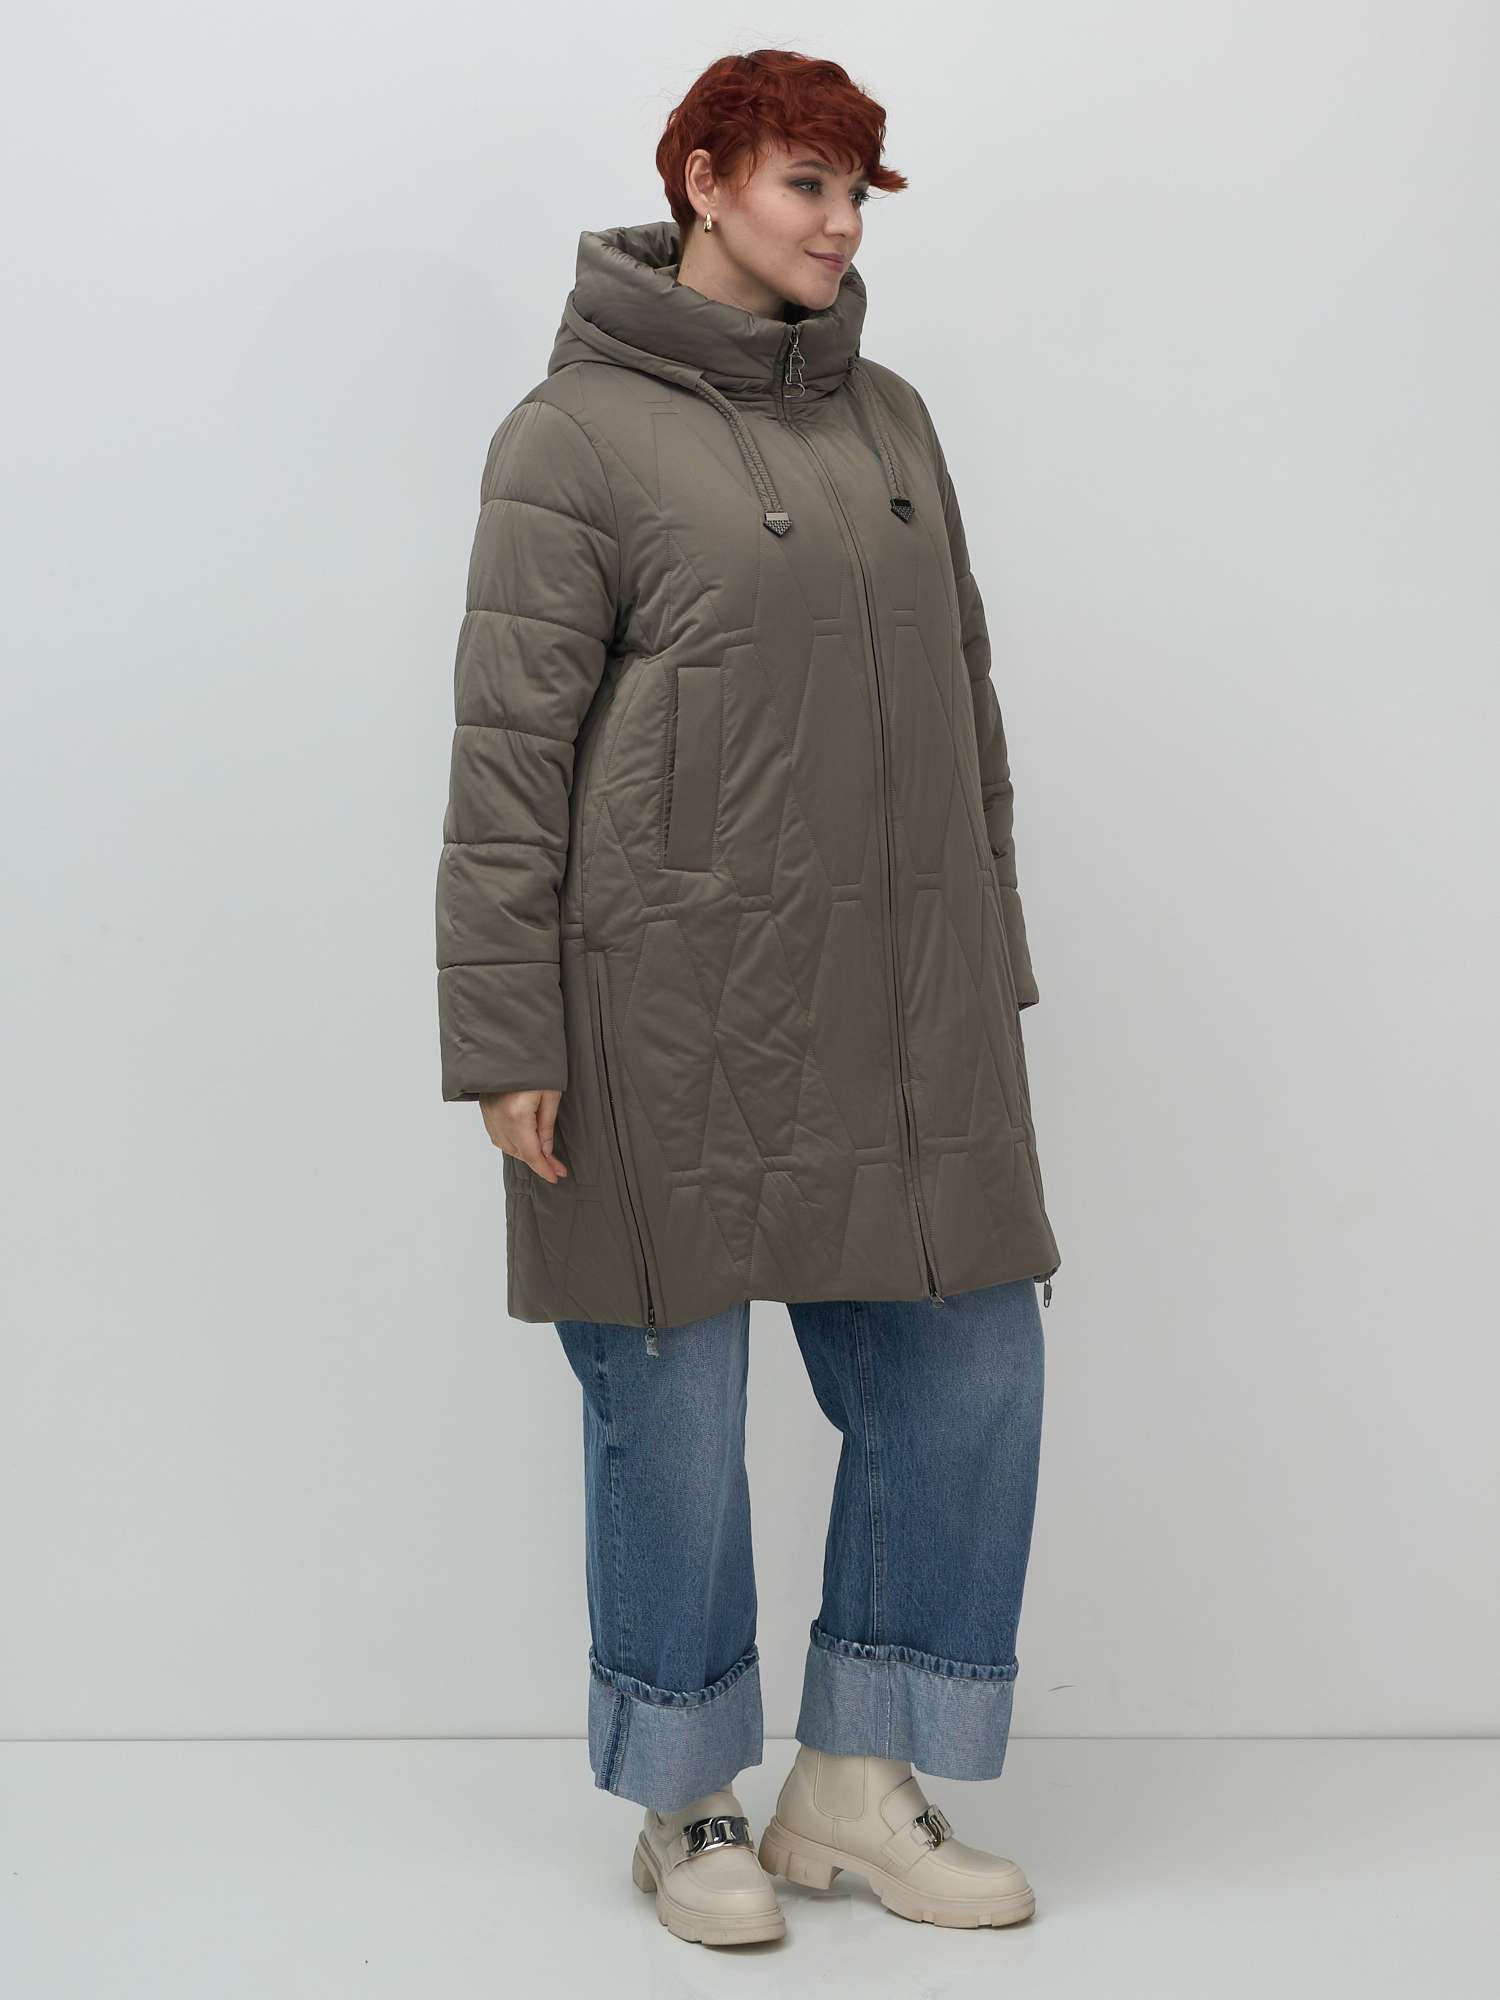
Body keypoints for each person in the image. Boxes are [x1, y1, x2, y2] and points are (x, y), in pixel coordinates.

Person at [435, 48, 1060, 1945]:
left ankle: (858, 1784)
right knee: (675, 1405)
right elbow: (509, 755)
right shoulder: (572, 436)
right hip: (665, 1002)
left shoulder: (893, 419)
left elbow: (964, 703)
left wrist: (993, 951)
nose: (842, 226)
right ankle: (686, 1799)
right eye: (806, 185)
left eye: (859, 194)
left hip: (903, 996)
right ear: (702, 181)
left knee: (971, 1364)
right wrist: (505, 1033)